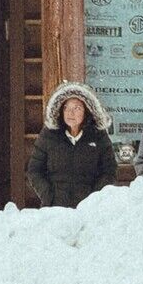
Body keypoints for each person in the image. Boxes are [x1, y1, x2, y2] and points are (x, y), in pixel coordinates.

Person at [25, 78, 120, 207]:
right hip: (55, 210)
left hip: (88, 210)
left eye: (77, 108)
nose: (71, 113)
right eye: (66, 108)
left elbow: (109, 171)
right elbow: (34, 170)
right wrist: (49, 196)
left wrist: (94, 198)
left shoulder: (98, 136)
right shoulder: (49, 135)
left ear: (87, 111)